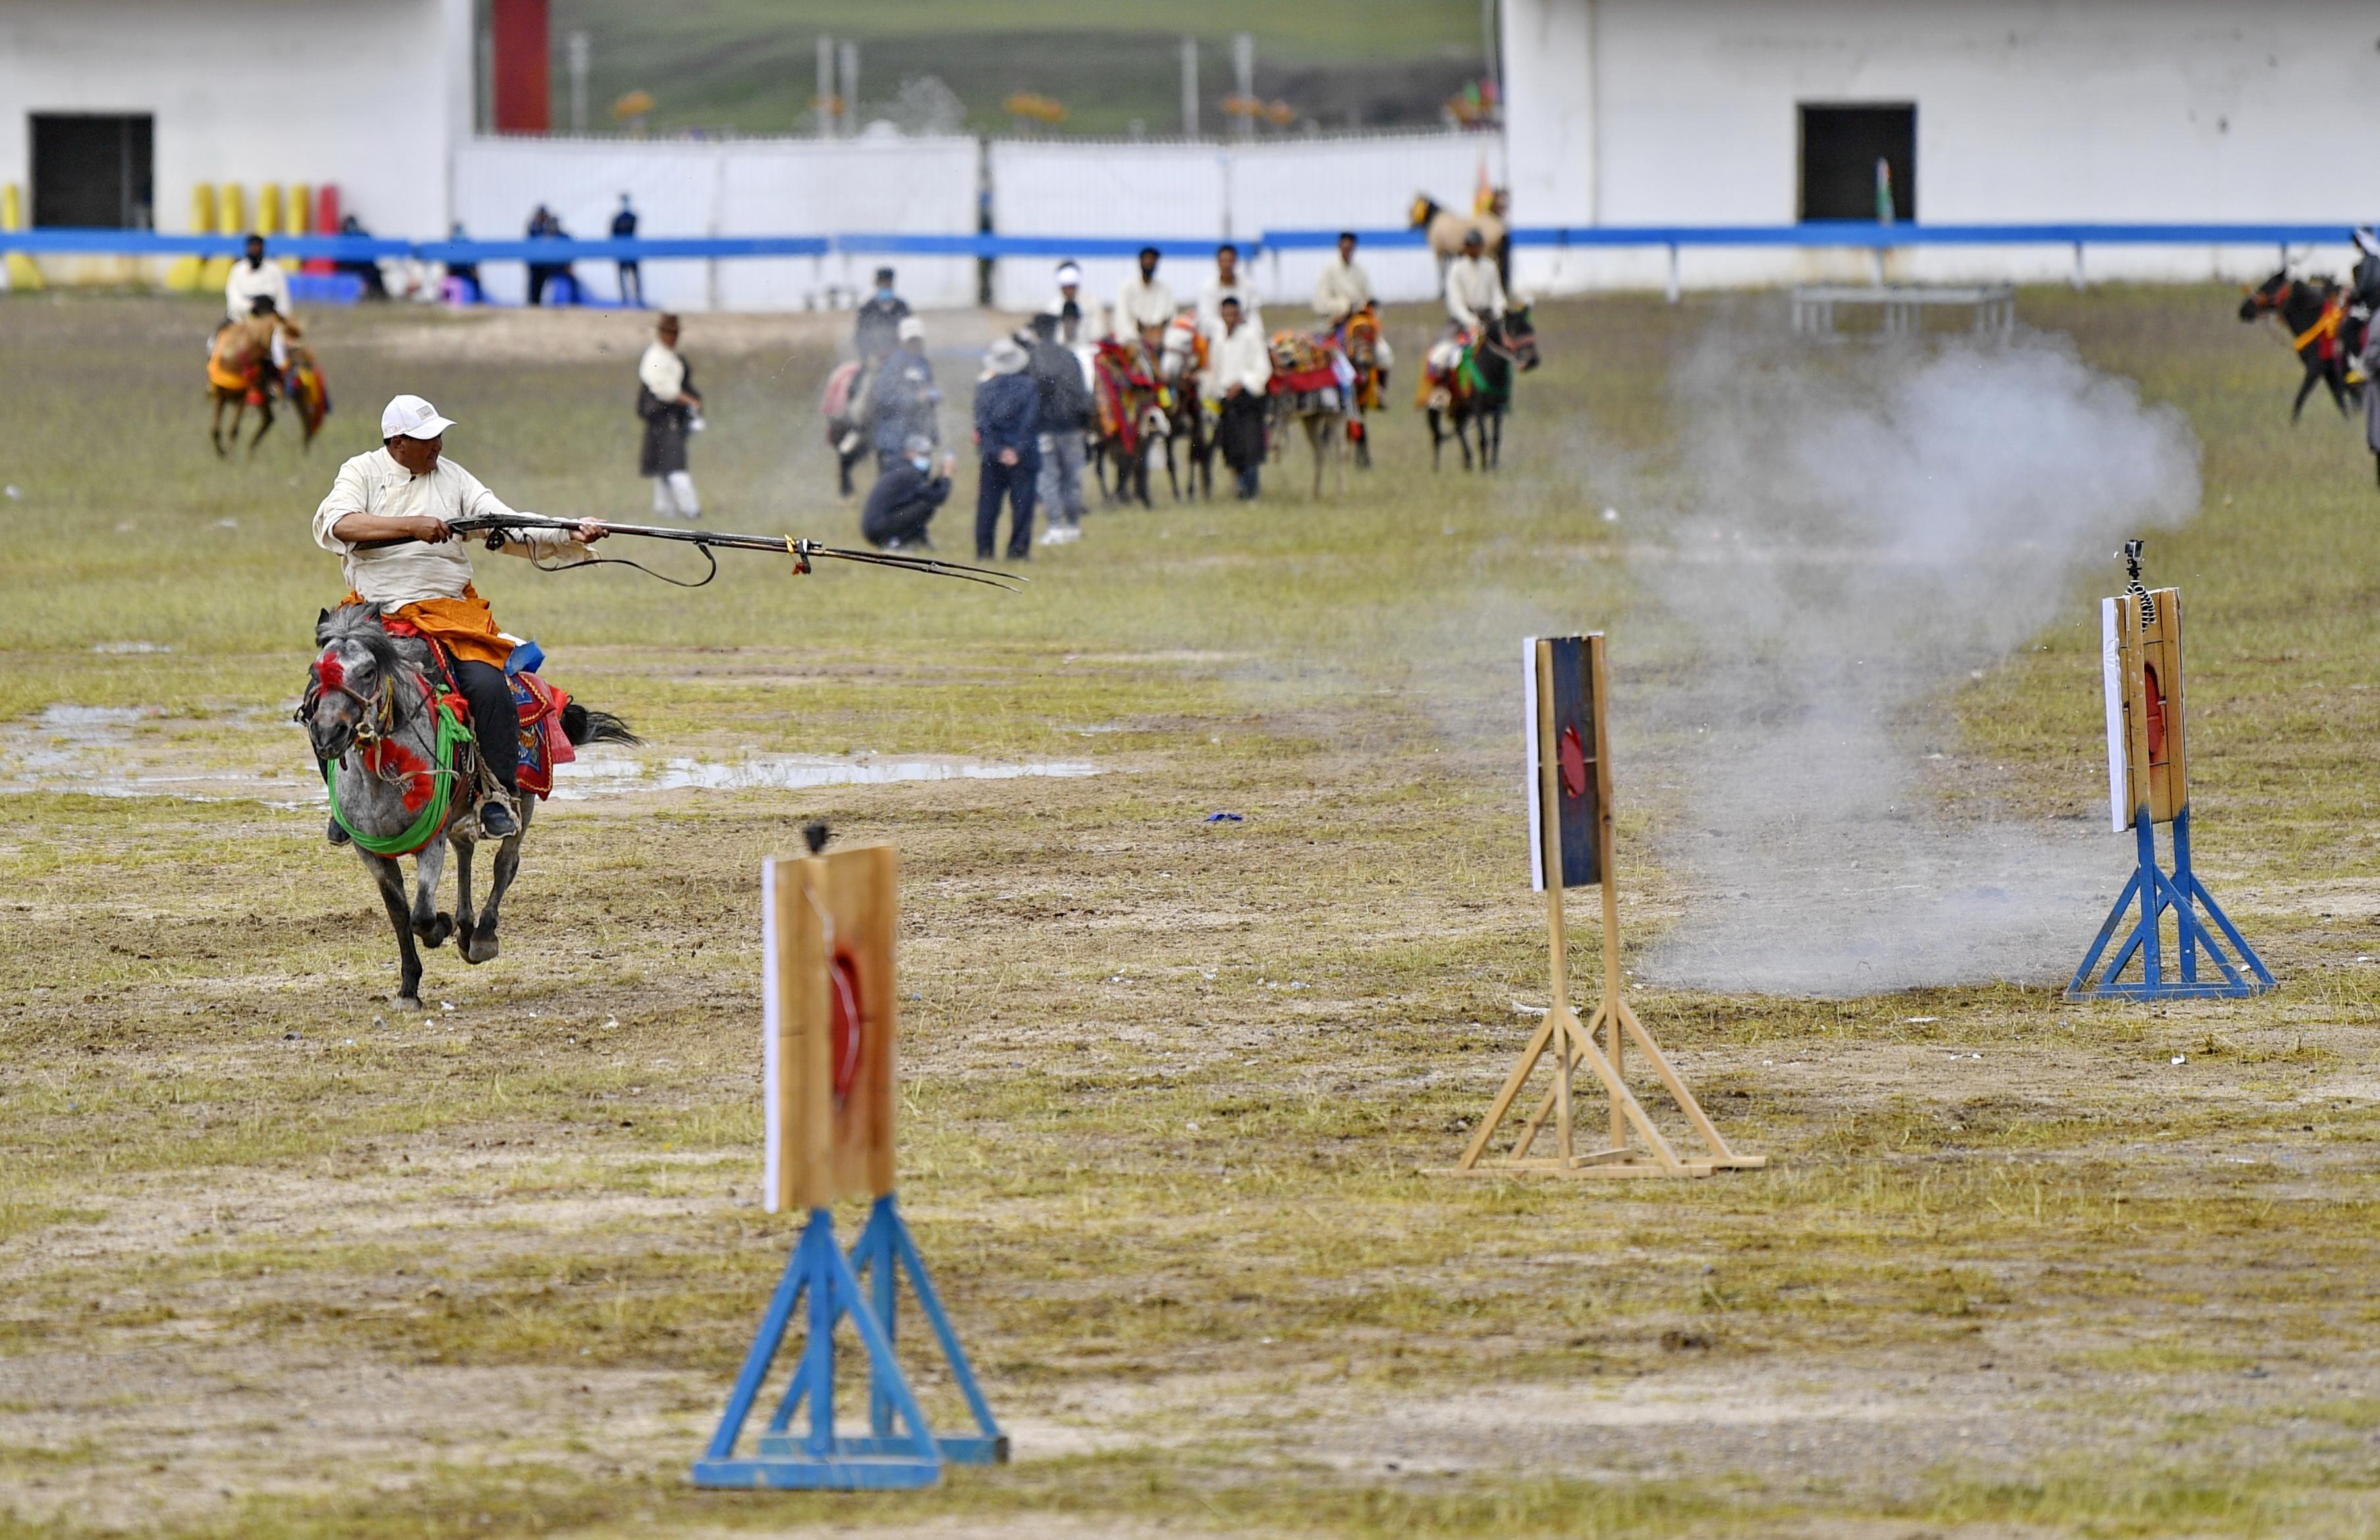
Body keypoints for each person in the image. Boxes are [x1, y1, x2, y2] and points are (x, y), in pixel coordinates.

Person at [312, 394, 607, 842]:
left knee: (488, 687)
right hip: (374, 615)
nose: (437, 447)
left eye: (439, 437)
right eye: (427, 439)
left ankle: (497, 795)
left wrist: (567, 529)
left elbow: (504, 521)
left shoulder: (454, 478)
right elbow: (339, 524)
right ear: (397, 441)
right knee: (323, 691)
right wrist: (413, 526)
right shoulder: (362, 471)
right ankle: (343, 802)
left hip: (448, 612)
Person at [1026, 310, 1092, 545]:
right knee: (1072, 477)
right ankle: (1073, 526)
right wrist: (1085, 423)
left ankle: (1055, 527)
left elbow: (1029, 396)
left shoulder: (1032, 358)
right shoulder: (1070, 357)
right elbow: (1083, 395)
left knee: (1049, 479)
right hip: (1072, 428)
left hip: (1044, 429)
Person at [972, 337, 1039, 561]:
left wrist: (998, 451)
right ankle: (1018, 551)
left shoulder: (984, 389)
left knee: (988, 506)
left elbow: (982, 425)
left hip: (993, 457)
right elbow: (1029, 423)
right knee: (1022, 508)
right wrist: (1017, 451)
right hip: (1024, 457)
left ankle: (984, 550)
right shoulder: (1029, 387)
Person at [637, 313, 704, 520]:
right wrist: (690, 402)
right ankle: (689, 510)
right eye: (670, 333)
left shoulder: (669, 356)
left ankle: (668, 510)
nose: (673, 337)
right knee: (673, 467)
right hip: (663, 419)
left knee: (666, 468)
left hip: (668, 420)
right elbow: (665, 390)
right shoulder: (656, 358)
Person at [1207, 296, 1271, 501]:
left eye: (1233, 314)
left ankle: (1252, 491)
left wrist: (1242, 383)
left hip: (1248, 398)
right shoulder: (1218, 340)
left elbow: (1262, 368)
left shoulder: (1251, 337)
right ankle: (1239, 489)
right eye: (1226, 314)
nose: (1229, 318)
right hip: (1226, 399)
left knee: (1250, 447)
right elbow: (1214, 370)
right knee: (1231, 448)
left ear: (1239, 315)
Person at [868, 316, 939, 471]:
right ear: (902, 341)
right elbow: (882, 399)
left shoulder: (924, 364)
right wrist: (915, 399)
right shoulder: (891, 365)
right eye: (911, 340)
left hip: (920, 440)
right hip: (894, 443)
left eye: (918, 340)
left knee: (919, 490)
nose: (915, 344)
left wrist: (933, 435)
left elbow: (929, 402)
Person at [862, 435, 954, 549]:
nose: (927, 458)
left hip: (874, 527)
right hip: (878, 528)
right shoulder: (910, 473)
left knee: (918, 506)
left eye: (928, 455)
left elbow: (924, 494)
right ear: (909, 453)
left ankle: (913, 542)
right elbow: (936, 497)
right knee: (925, 507)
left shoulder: (900, 468)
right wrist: (946, 476)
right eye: (923, 454)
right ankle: (895, 544)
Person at [1445, 227, 1508, 334]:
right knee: (1445, 348)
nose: (1475, 249)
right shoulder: (1457, 268)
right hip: (1462, 321)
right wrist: (1471, 321)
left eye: (1477, 246)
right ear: (1466, 247)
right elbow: (1455, 301)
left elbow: (1497, 295)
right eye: (1471, 246)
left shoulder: (1490, 267)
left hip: (1488, 318)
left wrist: (1501, 312)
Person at [1197, 243, 1263, 335]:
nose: (1227, 264)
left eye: (1230, 260)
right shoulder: (1208, 287)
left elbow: (1253, 315)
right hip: (1216, 337)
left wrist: (1256, 334)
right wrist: (1228, 327)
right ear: (1218, 262)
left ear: (1236, 261)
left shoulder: (1248, 285)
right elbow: (1206, 319)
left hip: (1245, 334)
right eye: (1224, 261)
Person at [225, 233, 291, 323]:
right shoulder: (238, 270)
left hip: (269, 316)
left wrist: (283, 318)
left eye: (258, 246)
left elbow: (283, 298)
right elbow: (233, 297)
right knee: (218, 337)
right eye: (253, 246)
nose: (255, 249)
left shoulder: (274, 270)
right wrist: (250, 306)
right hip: (242, 318)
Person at [1113, 246, 1175, 341]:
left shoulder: (1166, 290)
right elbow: (1122, 320)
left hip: (1159, 341)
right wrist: (1136, 337)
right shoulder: (1127, 289)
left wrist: (1156, 334)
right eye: (1146, 259)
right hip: (1132, 342)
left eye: (1152, 260)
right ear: (1140, 261)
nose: (1149, 262)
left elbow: (1170, 318)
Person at [1312, 231, 1373, 323]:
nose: (1347, 248)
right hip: (1333, 323)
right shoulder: (1329, 271)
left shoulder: (1360, 272)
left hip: (1358, 322)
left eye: (1350, 245)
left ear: (1354, 247)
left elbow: (1369, 298)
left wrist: (1365, 308)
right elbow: (1320, 303)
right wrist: (1345, 306)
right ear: (1339, 246)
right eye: (1345, 244)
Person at [854, 267, 910, 362]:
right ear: (876, 284)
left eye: (888, 284)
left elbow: (910, 332)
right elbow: (860, 336)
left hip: (899, 357)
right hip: (874, 359)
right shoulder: (868, 309)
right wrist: (869, 356)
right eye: (883, 284)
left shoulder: (901, 307)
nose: (886, 287)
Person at [1050, 261, 1105, 346]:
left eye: (1072, 286)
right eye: (1066, 286)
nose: (1069, 290)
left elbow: (1099, 333)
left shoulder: (1091, 304)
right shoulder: (1052, 308)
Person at [526, 205, 572, 307]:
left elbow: (569, 251)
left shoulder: (562, 237)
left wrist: (568, 266)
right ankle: (534, 304)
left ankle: (572, 303)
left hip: (557, 267)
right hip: (541, 267)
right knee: (536, 281)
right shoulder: (537, 233)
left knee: (570, 281)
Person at [335, 213, 388, 300]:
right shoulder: (364, 235)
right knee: (375, 274)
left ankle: (375, 295)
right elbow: (373, 255)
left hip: (351, 268)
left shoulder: (343, 236)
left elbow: (339, 257)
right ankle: (381, 296)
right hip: (364, 268)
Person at [611, 194, 642, 307]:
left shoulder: (633, 217)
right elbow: (613, 235)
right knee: (622, 277)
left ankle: (638, 299)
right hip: (621, 252)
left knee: (635, 276)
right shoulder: (617, 219)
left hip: (632, 252)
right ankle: (624, 300)